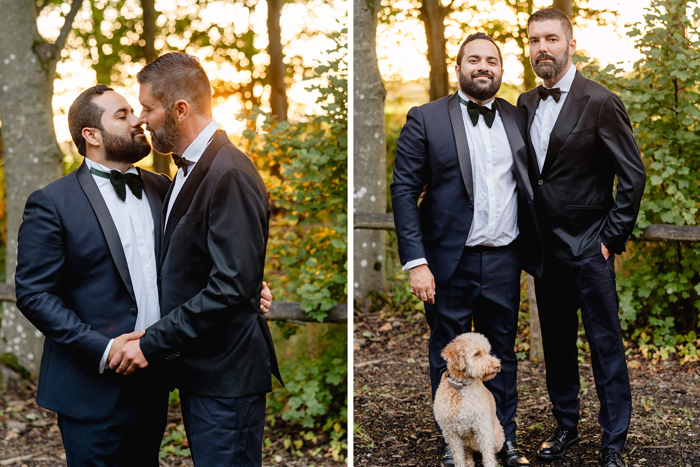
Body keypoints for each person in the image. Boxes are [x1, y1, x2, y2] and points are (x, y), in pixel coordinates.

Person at [14, 84, 272, 467]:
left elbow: (199, 264)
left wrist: (248, 288)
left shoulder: (162, 188)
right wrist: (103, 350)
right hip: (91, 385)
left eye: (135, 111)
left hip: (154, 378)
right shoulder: (52, 203)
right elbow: (34, 295)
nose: (138, 120)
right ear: (91, 135)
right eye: (122, 115)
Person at [109, 52, 283, 467]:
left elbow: (229, 286)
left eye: (148, 109)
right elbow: (204, 270)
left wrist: (152, 342)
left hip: (227, 376)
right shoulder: (185, 172)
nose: (142, 121)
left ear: (179, 109)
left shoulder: (229, 173)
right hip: (201, 371)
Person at [391, 33, 543, 467]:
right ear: (458, 67)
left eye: (491, 60)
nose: (483, 66)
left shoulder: (517, 118)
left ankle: (502, 439)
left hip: (504, 258)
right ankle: (452, 439)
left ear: (500, 69)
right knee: (450, 353)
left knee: (502, 354)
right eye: (473, 59)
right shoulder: (426, 118)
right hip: (445, 264)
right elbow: (403, 191)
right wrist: (416, 263)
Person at [516, 8, 646, 467]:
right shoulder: (525, 103)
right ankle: (566, 426)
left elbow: (632, 176)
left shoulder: (601, 100)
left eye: (551, 39)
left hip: (591, 249)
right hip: (545, 254)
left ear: (572, 45)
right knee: (556, 346)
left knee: (605, 346)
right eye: (534, 40)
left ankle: (614, 442)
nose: (542, 48)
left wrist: (611, 238)